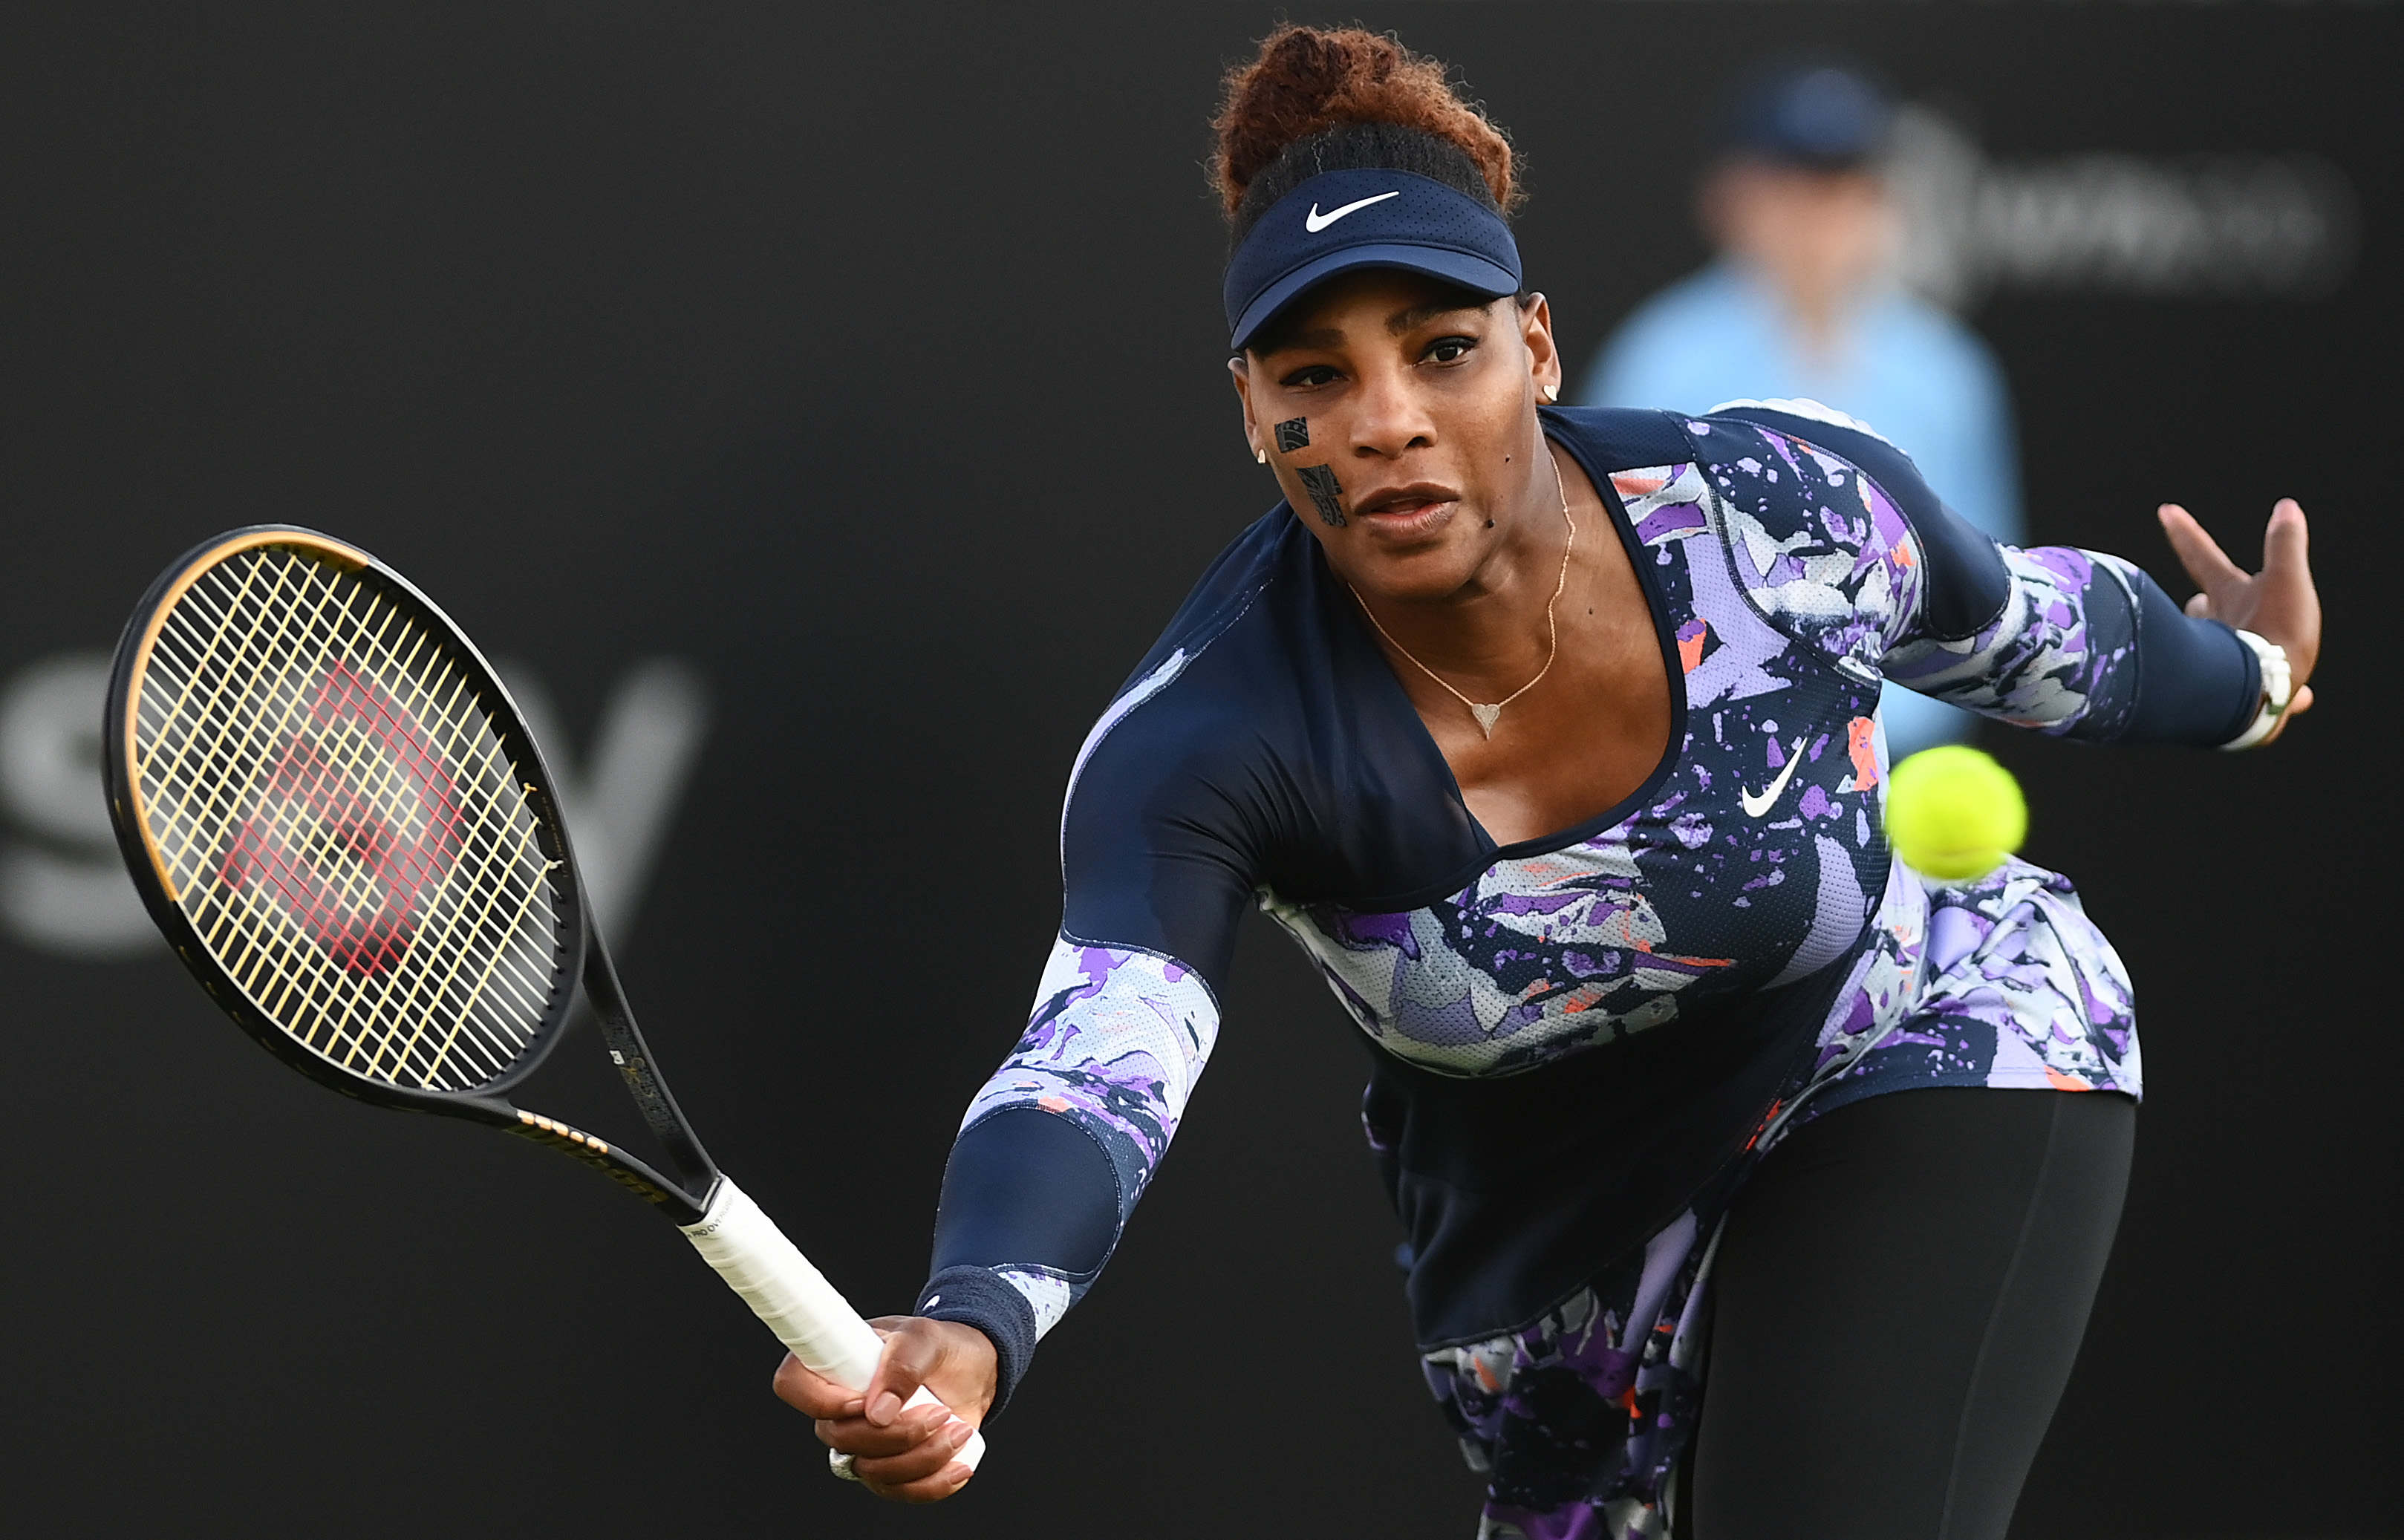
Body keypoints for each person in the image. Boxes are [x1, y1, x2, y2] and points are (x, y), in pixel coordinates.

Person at [779, 27, 2320, 1539]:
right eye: (1317, 372)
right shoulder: (1203, 739)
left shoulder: (1768, 508)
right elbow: (1097, 1057)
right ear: (1251, 410)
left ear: (1534, 347)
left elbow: (2028, 633)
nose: (1385, 421)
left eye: (1441, 349)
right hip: (1558, 1284)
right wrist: (978, 1316)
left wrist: (2245, 676)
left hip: (1912, 1037)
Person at [1580, 62, 2022, 763]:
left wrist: (1882, 730)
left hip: (1901, 763)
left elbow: (1988, 586)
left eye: (1843, 186)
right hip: (1709, 757)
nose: (1817, 215)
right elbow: (1608, 581)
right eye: (1788, 186)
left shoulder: (1948, 370)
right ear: (1727, 199)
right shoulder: (1659, 358)